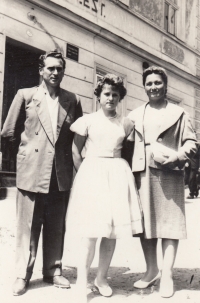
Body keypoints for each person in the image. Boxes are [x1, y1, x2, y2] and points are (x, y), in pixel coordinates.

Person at [1, 50, 82, 295]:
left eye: (59, 68)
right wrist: (25, 157)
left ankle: (53, 270)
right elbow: (8, 133)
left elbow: (76, 136)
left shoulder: (72, 99)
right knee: (28, 225)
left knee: (57, 224)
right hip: (32, 170)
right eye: (51, 68)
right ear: (41, 70)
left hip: (60, 172)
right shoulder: (25, 96)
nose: (55, 72)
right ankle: (22, 274)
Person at [66, 74, 143, 302]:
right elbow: (75, 151)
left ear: (120, 98)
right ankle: (82, 280)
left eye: (115, 95)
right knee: (90, 231)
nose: (110, 98)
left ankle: (101, 278)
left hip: (117, 174)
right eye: (106, 94)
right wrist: (86, 175)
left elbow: (128, 152)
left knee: (112, 230)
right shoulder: (88, 121)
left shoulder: (127, 123)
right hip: (92, 174)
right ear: (99, 96)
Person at [128, 66, 197, 298]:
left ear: (165, 86)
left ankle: (166, 274)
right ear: (144, 86)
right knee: (145, 224)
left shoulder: (180, 114)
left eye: (158, 83)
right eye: (149, 83)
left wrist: (178, 156)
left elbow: (192, 143)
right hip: (142, 172)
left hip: (169, 172)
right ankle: (151, 270)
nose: (153, 87)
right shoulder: (135, 114)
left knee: (169, 224)